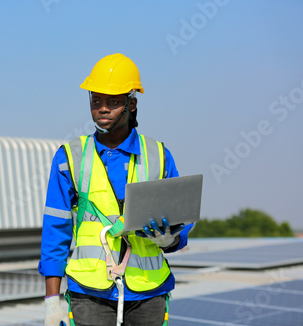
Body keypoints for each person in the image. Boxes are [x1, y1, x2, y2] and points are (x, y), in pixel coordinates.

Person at [38, 53, 193, 326]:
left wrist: (170, 240)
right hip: (89, 292)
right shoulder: (70, 157)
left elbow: (181, 219)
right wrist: (52, 299)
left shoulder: (158, 155)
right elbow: (56, 229)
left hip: (148, 290)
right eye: (96, 101)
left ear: (131, 104)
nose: (103, 109)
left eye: (113, 102)